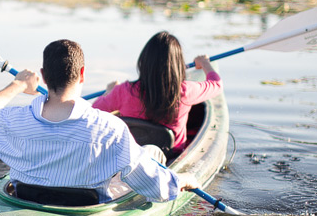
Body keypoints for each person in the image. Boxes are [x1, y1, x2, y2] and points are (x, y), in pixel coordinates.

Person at [0, 39, 200, 204]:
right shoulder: (110, 128)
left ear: (44, 76)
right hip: (83, 208)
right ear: (82, 74)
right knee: (150, 152)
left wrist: (18, 85)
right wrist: (182, 180)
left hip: (27, 199)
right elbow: (158, 190)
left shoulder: (15, 120)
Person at [92, 31, 222, 157]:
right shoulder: (186, 91)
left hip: (132, 154)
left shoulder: (123, 91)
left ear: (143, 62)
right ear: (178, 65)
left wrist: (108, 92)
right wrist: (205, 64)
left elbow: (94, 110)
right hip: (170, 155)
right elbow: (217, 85)